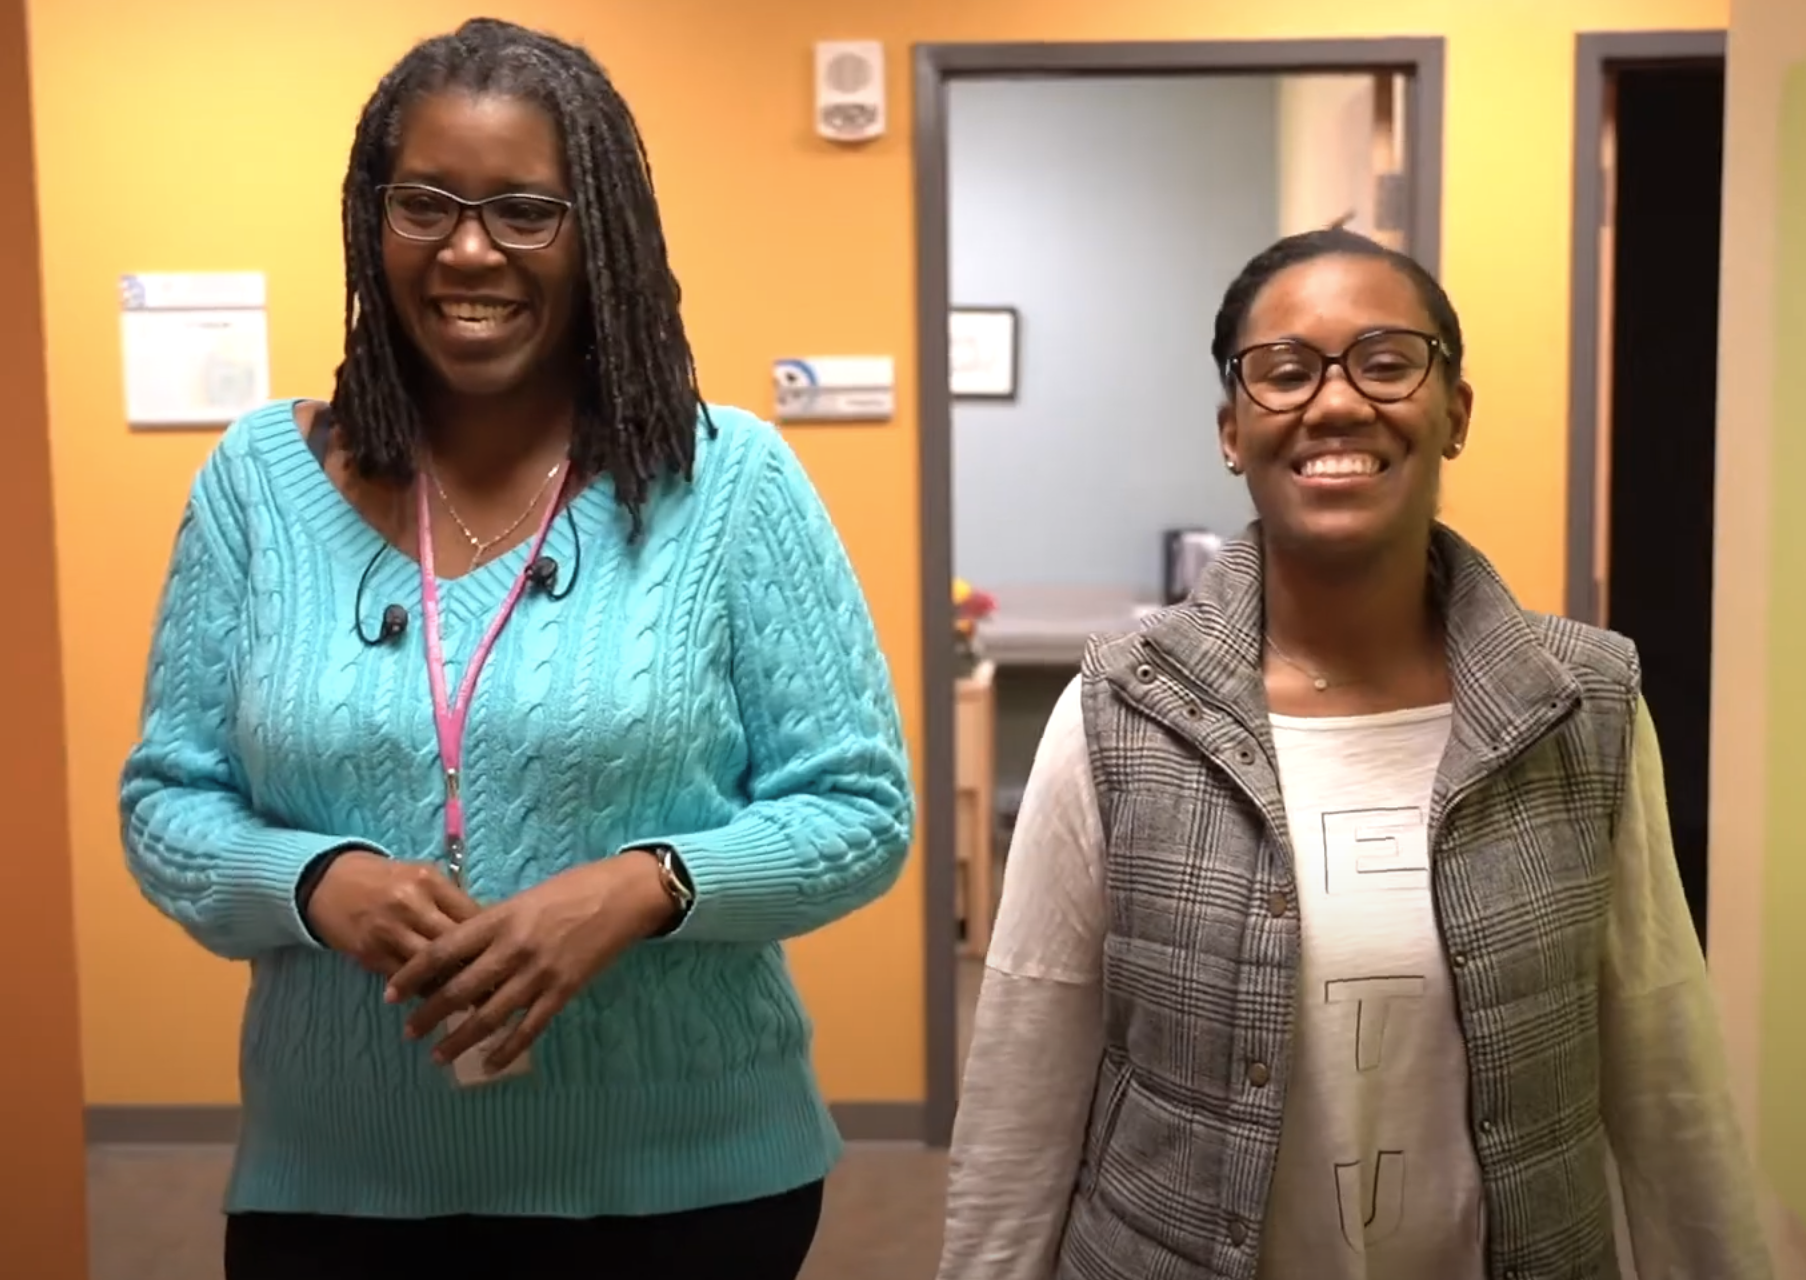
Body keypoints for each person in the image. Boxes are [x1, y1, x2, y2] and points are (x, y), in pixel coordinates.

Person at [119, 18, 913, 1280]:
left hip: (683, 1188)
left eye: (526, 211)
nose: (470, 249)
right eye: (425, 202)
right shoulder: (256, 482)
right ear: (372, 224)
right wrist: (317, 881)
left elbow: (860, 810)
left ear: (601, 230)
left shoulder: (732, 481)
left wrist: (643, 887)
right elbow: (168, 804)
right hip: (339, 1184)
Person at [935, 228, 1769, 1280]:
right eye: (1285, 371)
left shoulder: (1583, 705)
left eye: (1385, 361)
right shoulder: (1121, 710)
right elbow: (1024, 1085)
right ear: (1233, 430)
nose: (1335, 403)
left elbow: (1664, 1063)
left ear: (1453, 412)